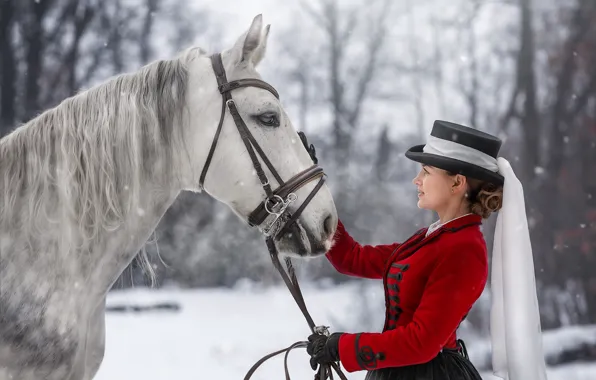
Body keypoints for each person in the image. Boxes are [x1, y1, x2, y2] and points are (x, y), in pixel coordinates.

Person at [306, 120, 548, 380]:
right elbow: (352, 259)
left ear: (457, 183)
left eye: (426, 172)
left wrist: (342, 347)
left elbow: (421, 343)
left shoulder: (464, 249)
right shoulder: (432, 239)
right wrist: (313, 192)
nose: (416, 180)